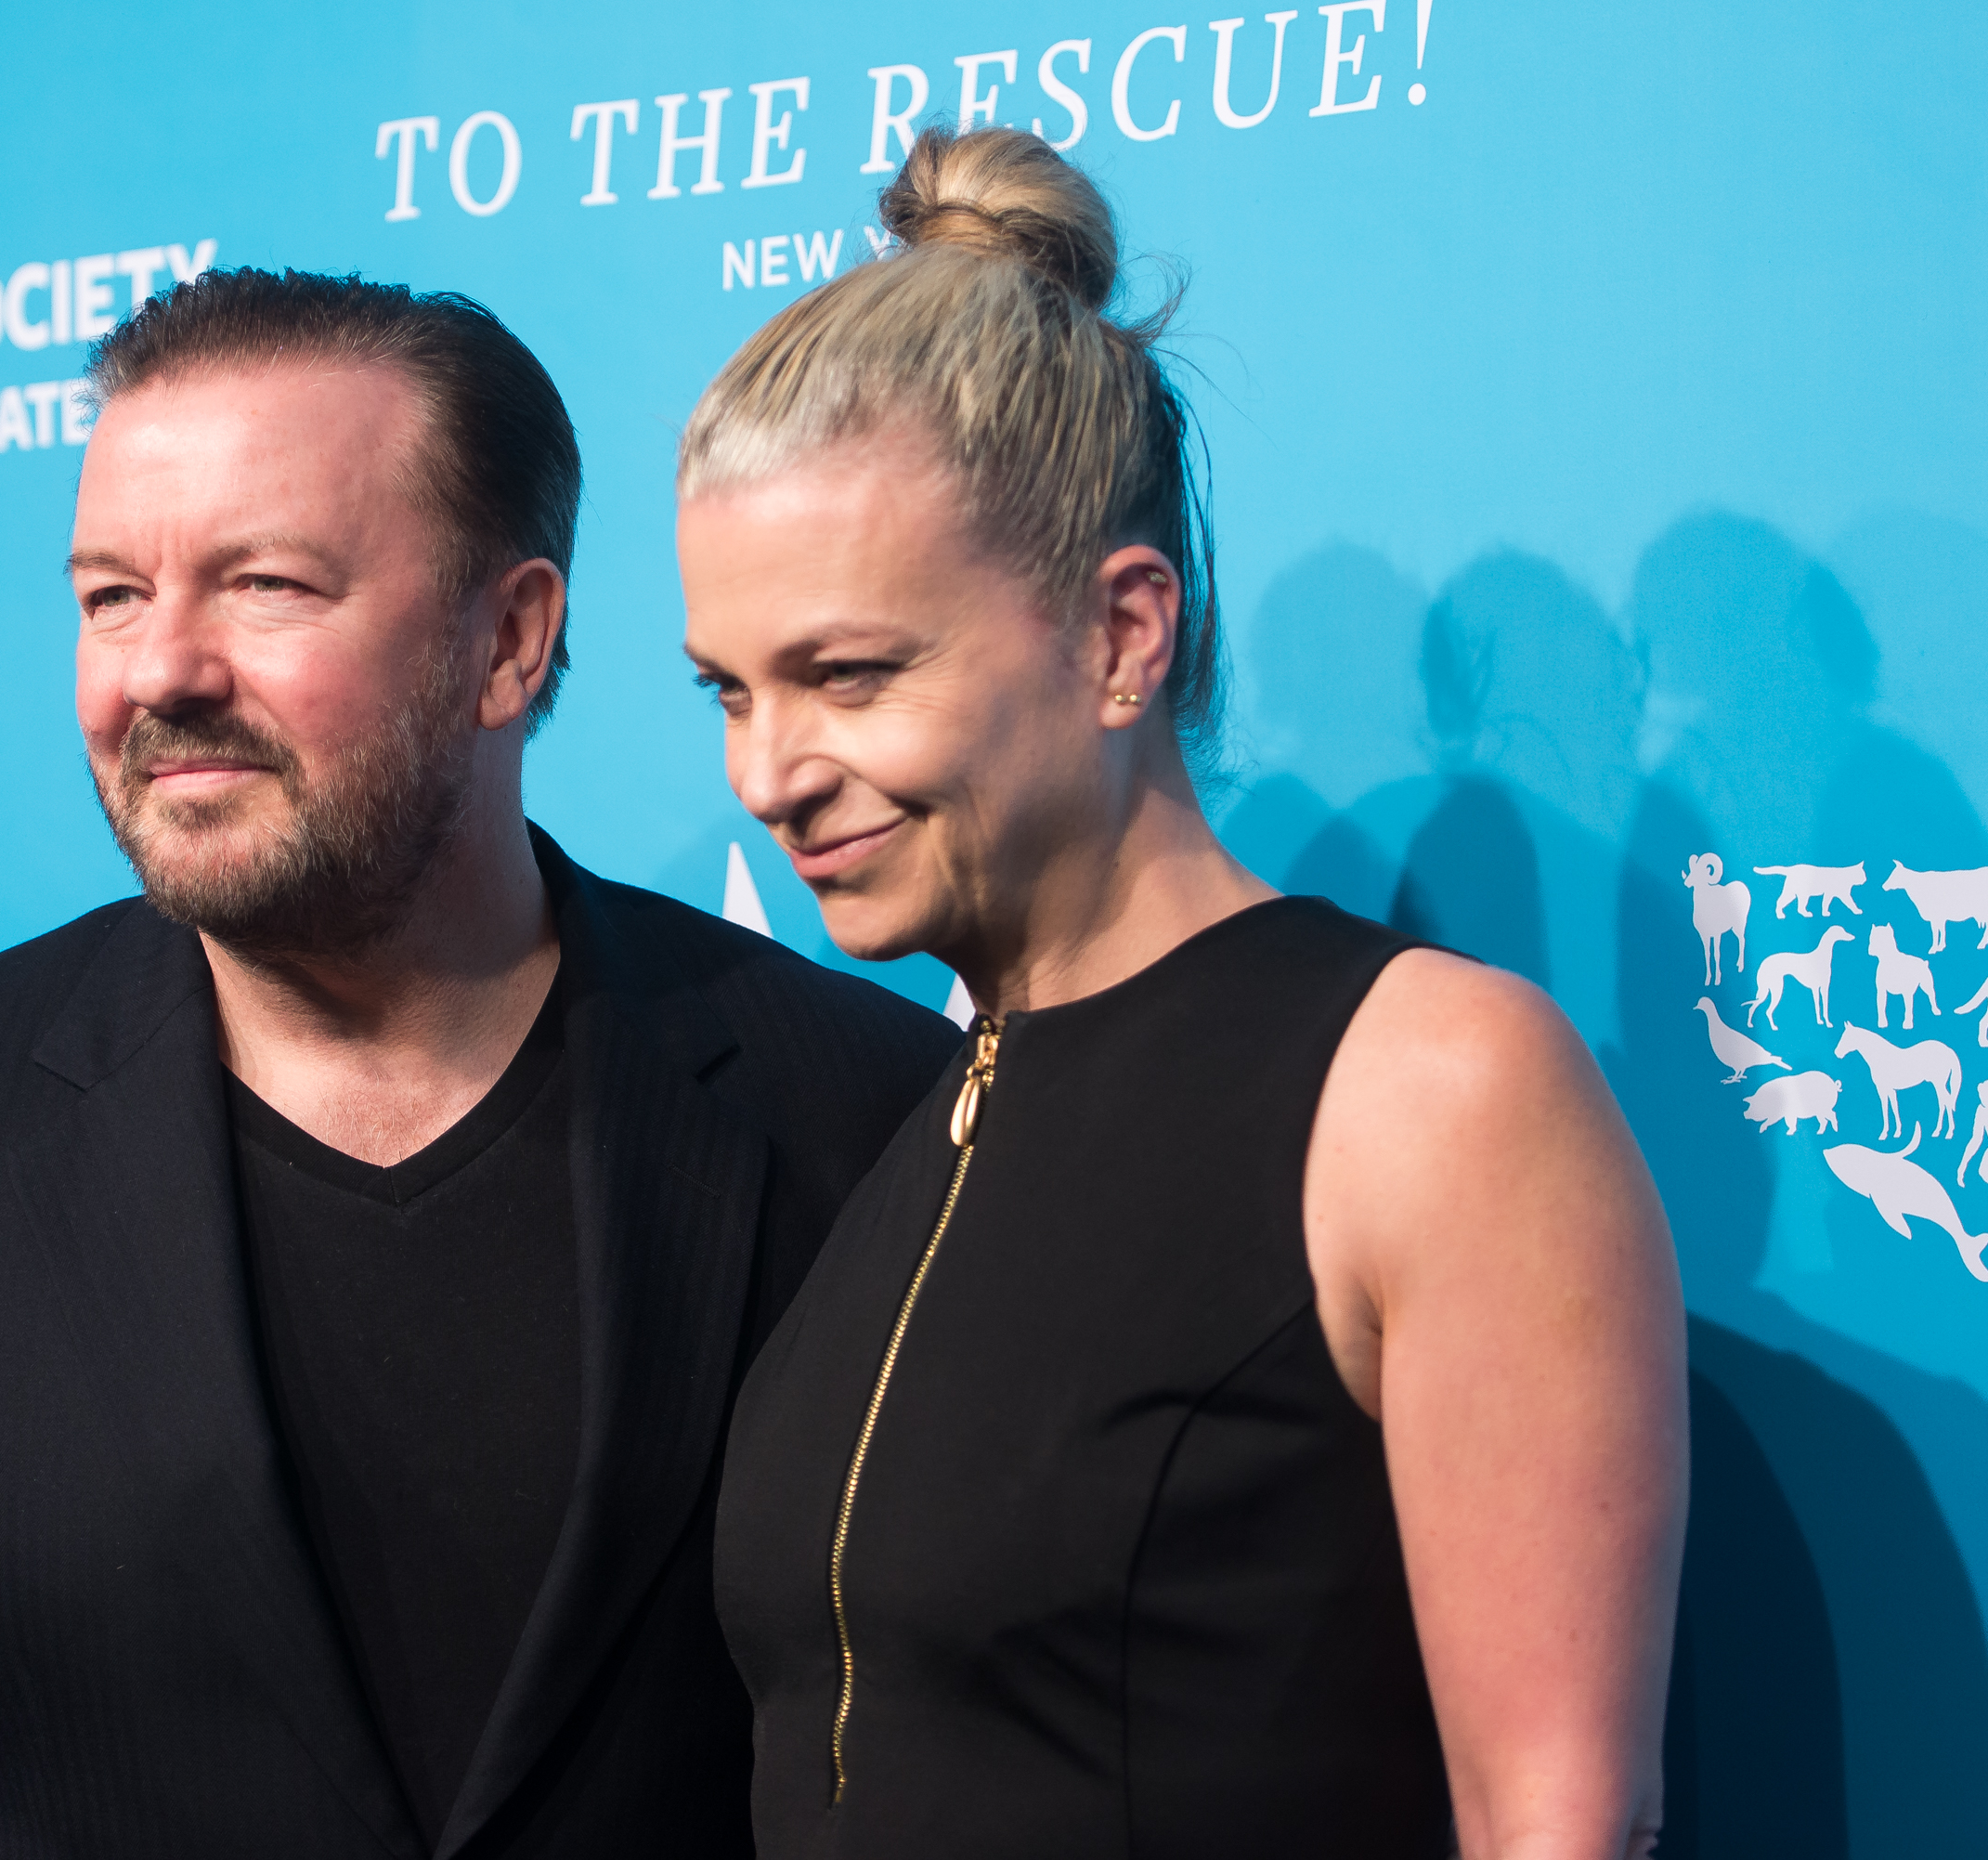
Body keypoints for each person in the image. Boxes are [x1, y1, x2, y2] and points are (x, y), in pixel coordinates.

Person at [0, 270, 955, 1858]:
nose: (159, 671)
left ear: (509, 640)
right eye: (111, 595)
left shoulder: (866, 1110)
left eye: (263, 586)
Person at [680, 129, 1688, 1860]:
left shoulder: (1431, 1091)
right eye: (730, 692)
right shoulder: (912, 1115)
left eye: (847, 677)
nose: (771, 773)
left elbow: (1559, 1825)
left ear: (1121, 635)